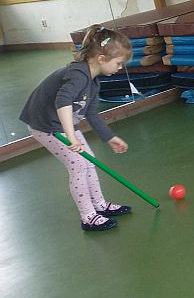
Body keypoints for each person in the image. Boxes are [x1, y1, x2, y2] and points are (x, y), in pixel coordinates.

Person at [20, 25, 134, 231]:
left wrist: (109, 137)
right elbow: (62, 101)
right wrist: (72, 137)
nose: (119, 68)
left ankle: (99, 205)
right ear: (101, 59)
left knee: (89, 161)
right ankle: (88, 216)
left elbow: (91, 113)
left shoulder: (93, 82)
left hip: (63, 124)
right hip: (46, 124)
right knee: (79, 165)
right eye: (118, 63)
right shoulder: (78, 74)